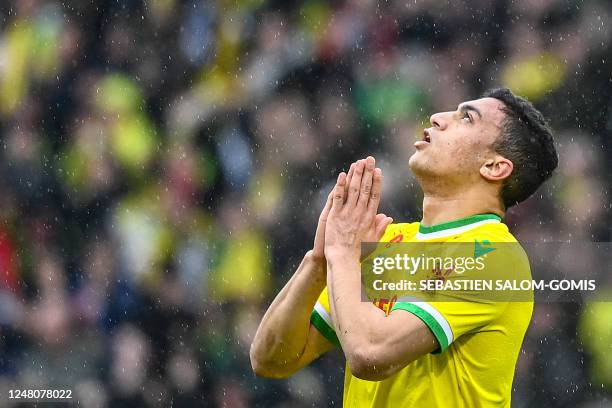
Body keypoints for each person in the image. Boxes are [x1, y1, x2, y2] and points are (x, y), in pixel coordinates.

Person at [249, 87, 558, 407]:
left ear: (494, 167)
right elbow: (270, 359)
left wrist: (343, 255)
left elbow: (370, 353)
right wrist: (319, 263)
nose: (438, 118)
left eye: (466, 118)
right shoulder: (384, 243)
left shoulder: (493, 256)